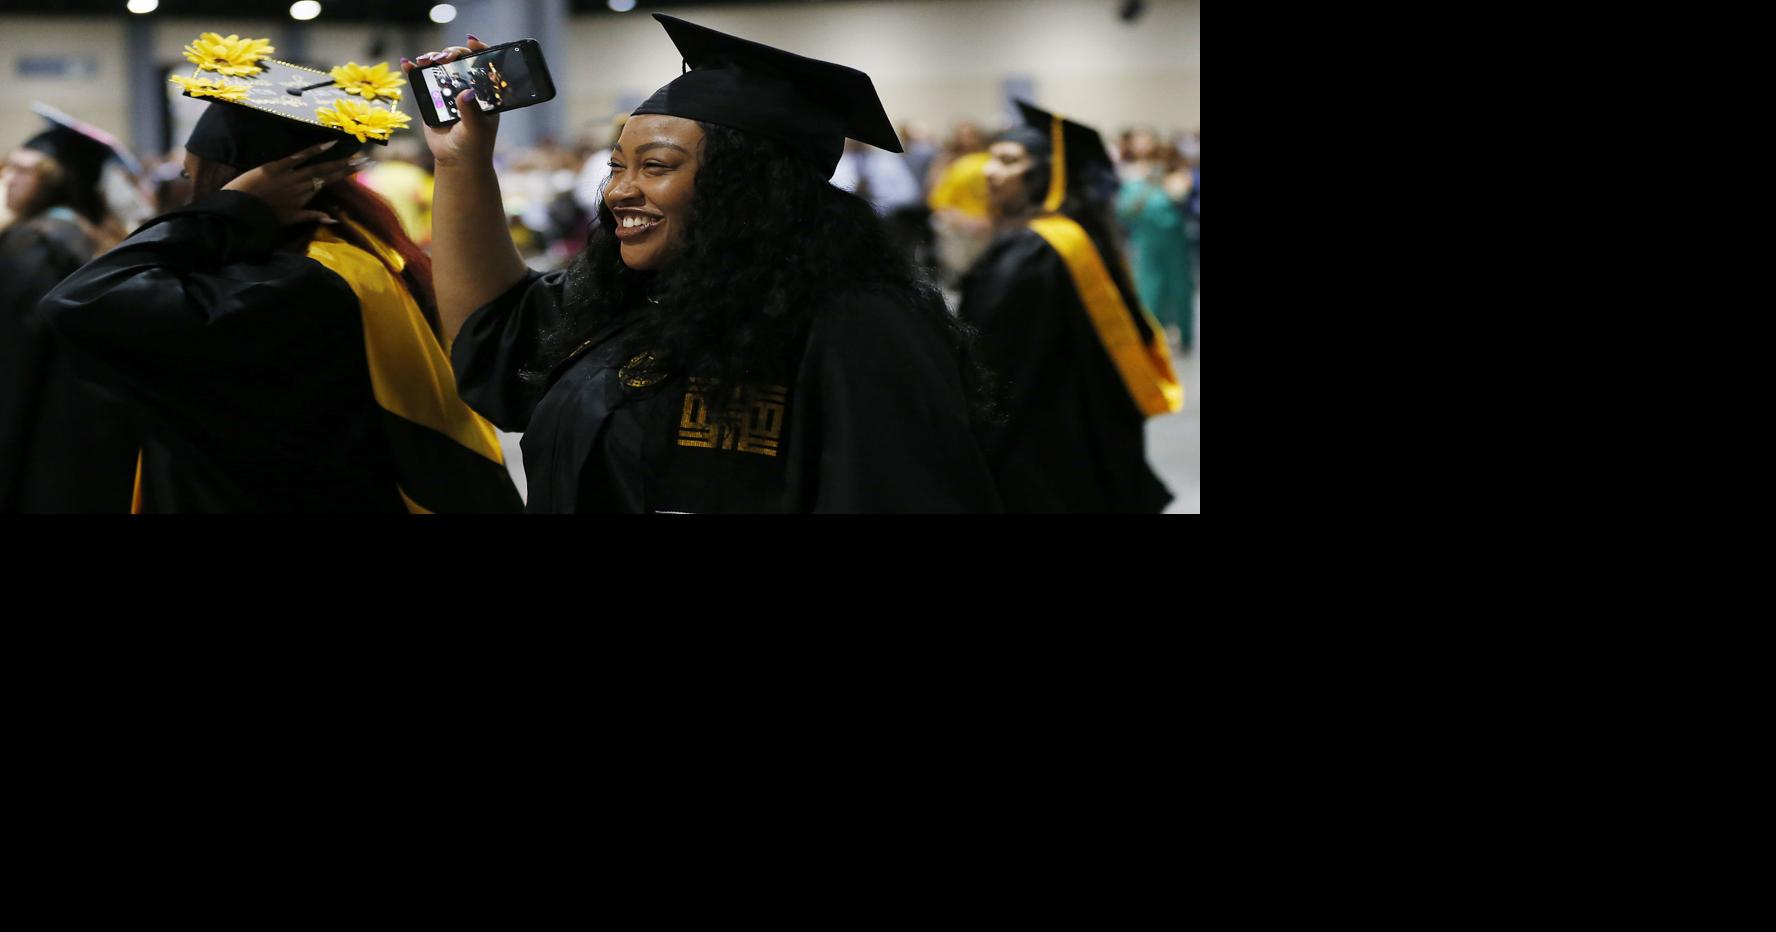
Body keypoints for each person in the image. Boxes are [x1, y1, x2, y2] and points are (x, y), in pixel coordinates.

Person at [412, 16, 999, 513]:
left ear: (746, 188)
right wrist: (463, 162)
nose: (620, 191)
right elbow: (497, 337)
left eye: (656, 166)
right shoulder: (632, 297)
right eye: (617, 166)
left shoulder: (859, 326)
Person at [38, 33, 521, 513]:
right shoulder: (348, 254)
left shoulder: (295, 283)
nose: (193, 193)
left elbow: (78, 300)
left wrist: (230, 210)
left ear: (249, 184)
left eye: (196, 177)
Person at [958, 101, 1182, 513]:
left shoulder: (1031, 253)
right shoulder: (1072, 239)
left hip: (1037, 447)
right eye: (991, 158)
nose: (989, 172)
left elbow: (995, 363)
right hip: (1077, 440)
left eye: (1008, 160)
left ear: (1046, 172)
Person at [0, 105, 145, 512]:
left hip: (39, 432)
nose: (8, 178)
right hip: (86, 438)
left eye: (24, 170)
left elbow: (14, 352)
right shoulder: (95, 236)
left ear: (55, 179)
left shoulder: (38, 242)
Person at [1116, 140, 1195, 352]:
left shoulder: (1178, 179)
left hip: (1175, 244)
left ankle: (1185, 337)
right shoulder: (1136, 183)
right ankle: (1152, 340)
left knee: (1180, 291)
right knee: (1150, 292)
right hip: (1147, 244)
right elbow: (1125, 210)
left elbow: (1186, 204)